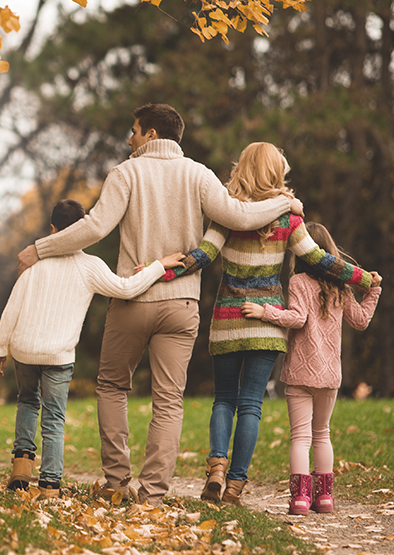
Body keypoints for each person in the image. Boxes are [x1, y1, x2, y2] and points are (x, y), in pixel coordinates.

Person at [16, 104, 303, 507]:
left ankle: (117, 483)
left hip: (132, 298)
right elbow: (238, 215)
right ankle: (153, 495)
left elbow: (95, 227)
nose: (129, 139)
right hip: (181, 303)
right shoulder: (199, 174)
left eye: (133, 131)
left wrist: (39, 249)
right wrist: (285, 204)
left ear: (151, 134)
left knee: (112, 387)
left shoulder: (125, 173)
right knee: (169, 399)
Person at [160, 143, 375, 506]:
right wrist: (363, 279)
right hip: (267, 323)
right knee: (251, 404)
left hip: (229, 316)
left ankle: (216, 465)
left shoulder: (225, 215)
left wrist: (160, 271)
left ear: (241, 169)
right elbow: (321, 260)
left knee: (223, 400)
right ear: (276, 174)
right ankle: (235, 486)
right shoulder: (289, 221)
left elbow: (203, 256)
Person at [0, 198, 186, 500]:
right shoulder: (89, 266)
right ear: (83, 230)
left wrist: (0, 346)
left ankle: (21, 468)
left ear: (53, 229)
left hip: (24, 350)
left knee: (28, 402)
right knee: (54, 418)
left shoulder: (36, 263)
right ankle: (50, 486)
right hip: (58, 355)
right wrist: (158, 267)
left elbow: (12, 305)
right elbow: (127, 288)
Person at [239, 221, 382, 515]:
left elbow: (298, 318)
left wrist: (264, 311)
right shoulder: (341, 286)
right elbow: (362, 321)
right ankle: (325, 498)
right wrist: (374, 291)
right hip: (330, 375)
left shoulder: (298, 282)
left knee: (300, 437)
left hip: (300, 374)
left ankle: (301, 499)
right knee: (322, 433)